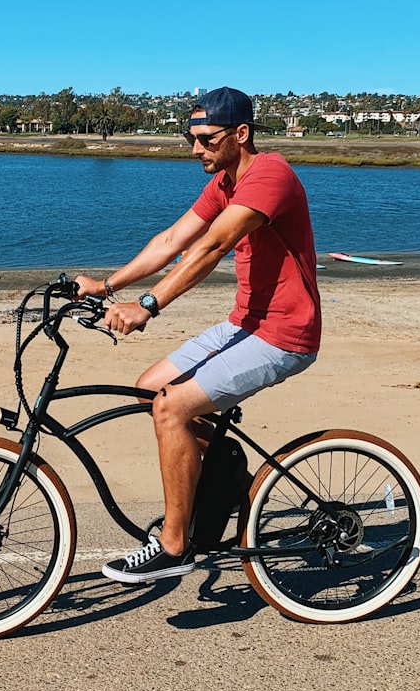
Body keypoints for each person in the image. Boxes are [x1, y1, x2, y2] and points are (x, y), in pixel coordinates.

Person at [74, 86, 321, 584]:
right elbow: (171, 241)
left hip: (284, 334)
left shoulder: (270, 175)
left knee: (172, 407)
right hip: (243, 324)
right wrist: (105, 285)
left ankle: (174, 544)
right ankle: (227, 472)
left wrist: (147, 306)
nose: (195, 150)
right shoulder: (225, 183)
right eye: (190, 138)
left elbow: (210, 247)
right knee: (149, 389)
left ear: (241, 134)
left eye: (206, 139)